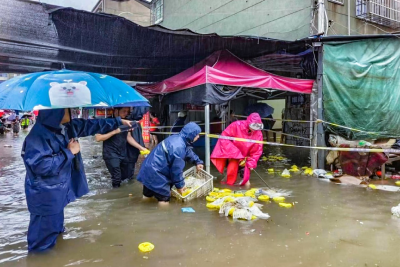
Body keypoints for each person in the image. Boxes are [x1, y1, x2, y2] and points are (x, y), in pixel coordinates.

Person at [22, 108, 131, 252]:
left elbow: (91, 125)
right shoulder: (37, 136)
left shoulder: (65, 127)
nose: (71, 112)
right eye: (67, 110)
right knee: (42, 245)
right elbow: (41, 166)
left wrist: (117, 121)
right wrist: (69, 152)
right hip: (45, 197)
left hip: (57, 193)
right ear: (56, 112)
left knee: (56, 231)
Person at [137, 122, 204, 204]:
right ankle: (163, 216)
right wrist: (180, 186)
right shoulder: (179, 147)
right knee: (164, 199)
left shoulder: (178, 138)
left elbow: (187, 151)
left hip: (148, 169)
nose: (198, 137)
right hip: (157, 174)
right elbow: (176, 170)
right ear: (191, 134)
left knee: (147, 197)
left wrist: (197, 161)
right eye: (197, 134)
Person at [95, 108, 148, 188]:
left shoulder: (126, 122)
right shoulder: (106, 122)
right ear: (116, 111)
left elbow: (128, 137)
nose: (125, 114)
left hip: (122, 153)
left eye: (127, 112)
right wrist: (115, 131)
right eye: (124, 111)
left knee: (125, 177)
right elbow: (98, 138)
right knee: (116, 177)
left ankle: (124, 195)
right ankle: (115, 196)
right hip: (110, 153)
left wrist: (141, 148)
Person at [211, 113, 264, 186]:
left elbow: (257, 150)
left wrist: (252, 162)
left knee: (246, 177)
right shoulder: (236, 125)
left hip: (245, 157)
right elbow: (224, 138)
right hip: (233, 155)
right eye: (253, 126)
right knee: (231, 173)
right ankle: (228, 187)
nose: (254, 129)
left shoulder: (258, 134)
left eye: (257, 127)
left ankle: (245, 190)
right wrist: (235, 152)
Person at [123, 107, 148, 181]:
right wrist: (141, 148)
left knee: (129, 171)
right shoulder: (129, 123)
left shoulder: (135, 123)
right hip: (129, 152)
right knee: (127, 172)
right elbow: (129, 138)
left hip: (132, 152)